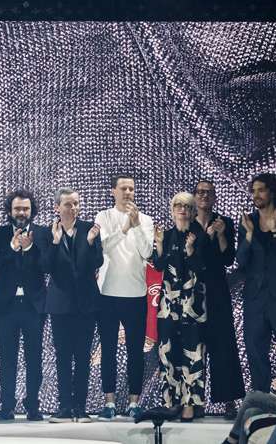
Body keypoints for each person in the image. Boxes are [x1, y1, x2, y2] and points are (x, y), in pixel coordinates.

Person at [94, 175, 153, 420]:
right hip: (107, 292)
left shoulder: (145, 219)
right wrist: (125, 227)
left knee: (135, 351)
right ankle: (109, 402)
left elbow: (147, 252)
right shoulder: (103, 216)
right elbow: (104, 248)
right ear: (113, 191)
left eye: (131, 188)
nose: (128, 192)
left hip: (136, 293)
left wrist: (136, 225)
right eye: (123, 188)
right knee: (107, 349)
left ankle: (133, 402)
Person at [43, 187, 103, 423]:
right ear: (57, 207)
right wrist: (56, 242)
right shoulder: (49, 232)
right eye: (68, 204)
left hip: (86, 304)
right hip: (60, 305)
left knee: (82, 357)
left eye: (76, 203)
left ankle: (80, 407)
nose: (74, 208)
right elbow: (46, 267)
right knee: (63, 357)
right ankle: (65, 407)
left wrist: (90, 243)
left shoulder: (89, 229)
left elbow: (97, 261)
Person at [237, 173, 276, 392]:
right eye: (253, 191)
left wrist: (275, 231)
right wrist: (248, 236)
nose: (256, 195)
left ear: (272, 192)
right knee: (255, 350)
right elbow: (241, 261)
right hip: (255, 297)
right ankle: (261, 400)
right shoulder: (248, 222)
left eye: (261, 190)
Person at [0, 189, 47, 422]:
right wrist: (11, 248)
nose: (21, 213)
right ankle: (7, 407)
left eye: (25, 209)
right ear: (10, 211)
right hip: (6, 306)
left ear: (32, 211)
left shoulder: (41, 233)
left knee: (34, 358)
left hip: (34, 305)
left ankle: (33, 406)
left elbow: (47, 265)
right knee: (7, 358)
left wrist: (30, 248)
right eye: (17, 209)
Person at [152, 192, 208, 422]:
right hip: (169, 302)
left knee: (193, 352)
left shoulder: (200, 235)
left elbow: (203, 268)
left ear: (193, 211)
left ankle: (190, 404)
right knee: (167, 352)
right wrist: (158, 245)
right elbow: (158, 265)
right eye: (178, 206)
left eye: (187, 206)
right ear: (172, 210)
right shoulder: (165, 235)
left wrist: (192, 250)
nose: (182, 210)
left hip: (193, 302)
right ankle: (170, 402)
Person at [192, 180, 244, 417]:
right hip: (193, 289)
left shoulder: (225, 222)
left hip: (217, 289)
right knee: (195, 345)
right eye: (200, 192)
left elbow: (228, 258)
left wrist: (221, 235)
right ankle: (195, 399)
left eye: (209, 193)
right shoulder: (188, 223)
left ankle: (229, 400)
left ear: (214, 197)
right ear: (195, 197)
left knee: (223, 343)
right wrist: (206, 236)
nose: (204, 196)